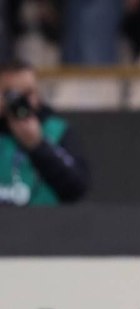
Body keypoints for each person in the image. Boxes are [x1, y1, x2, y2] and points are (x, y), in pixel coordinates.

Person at [0, 59, 89, 206]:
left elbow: (77, 187)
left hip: (43, 217)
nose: (21, 102)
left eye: (28, 93)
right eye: (12, 95)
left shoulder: (56, 129)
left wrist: (38, 145)